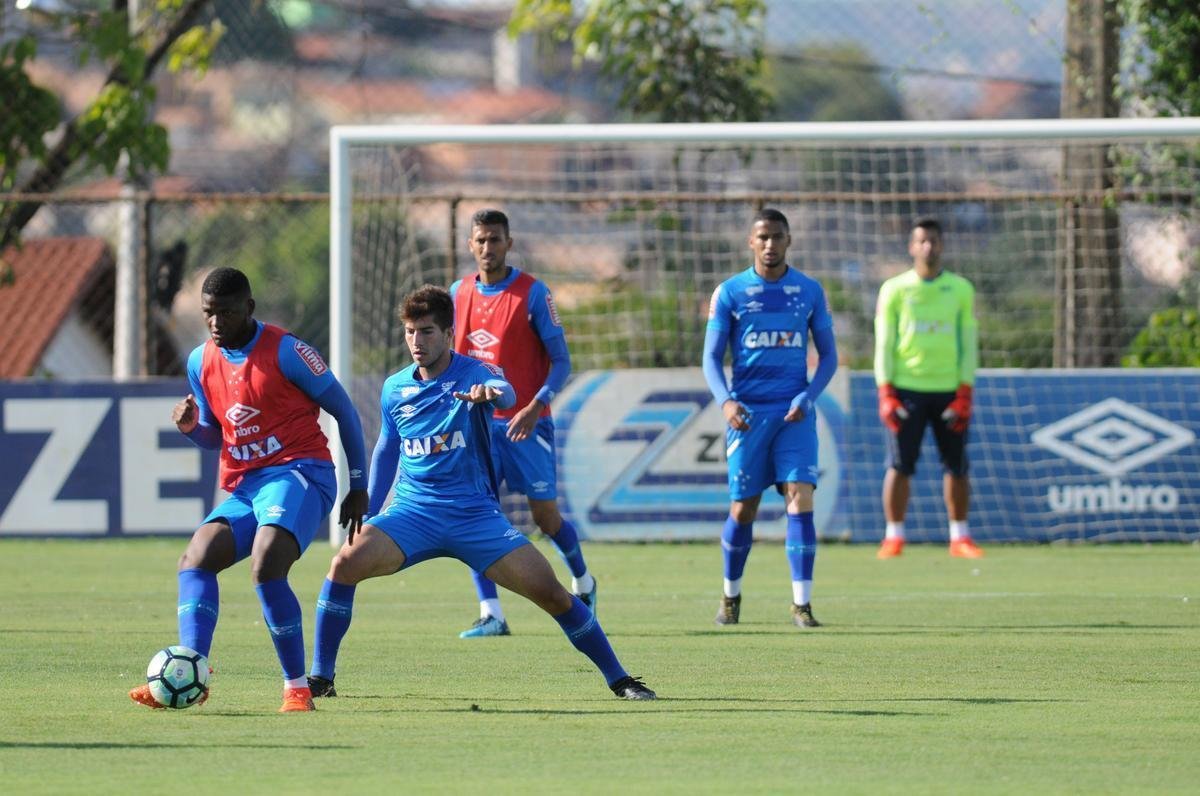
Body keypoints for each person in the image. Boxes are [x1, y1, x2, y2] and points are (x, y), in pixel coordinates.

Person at [304, 285, 655, 701]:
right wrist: (370, 502)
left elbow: (505, 392)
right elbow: (388, 447)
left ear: (449, 333)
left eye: (428, 332)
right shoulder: (394, 388)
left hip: (474, 516)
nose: (418, 341)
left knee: (550, 592)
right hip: (412, 514)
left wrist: (492, 395)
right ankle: (320, 679)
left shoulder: (476, 373)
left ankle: (621, 679)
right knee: (344, 563)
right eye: (411, 332)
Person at [129, 266, 369, 713]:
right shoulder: (200, 361)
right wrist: (190, 427)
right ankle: (190, 672)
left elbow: (344, 411)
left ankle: (297, 689)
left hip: (301, 472)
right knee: (196, 558)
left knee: (266, 563)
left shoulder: (289, 351)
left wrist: (358, 485)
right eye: (208, 314)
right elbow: (215, 435)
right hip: (248, 484)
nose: (216, 323)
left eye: (226, 312)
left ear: (249, 308)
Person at [449, 208, 595, 638]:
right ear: (470, 244)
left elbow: (562, 361)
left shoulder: (532, 293)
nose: (487, 248)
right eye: (480, 240)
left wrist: (535, 405)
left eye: (495, 240)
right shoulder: (458, 293)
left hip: (526, 424)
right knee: (476, 515)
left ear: (509, 243)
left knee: (545, 518)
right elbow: (455, 362)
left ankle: (584, 584)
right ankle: (491, 612)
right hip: (479, 428)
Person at [702, 208, 838, 628]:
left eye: (777, 236)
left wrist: (809, 395)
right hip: (746, 415)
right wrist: (725, 401)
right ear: (750, 242)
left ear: (789, 240)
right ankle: (730, 596)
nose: (770, 244)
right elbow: (710, 357)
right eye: (762, 237)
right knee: (744, 509)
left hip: (794, 414)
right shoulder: (730, 293)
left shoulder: (809, 291)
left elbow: (830, 356)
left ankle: (802, 604)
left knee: (801, 496)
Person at [874, 216, 982, 559]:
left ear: (942, 245)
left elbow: (969, 343)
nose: (928, 247)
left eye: (934, 241)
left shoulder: (961, 289)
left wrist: (965, 391)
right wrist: (885, 392)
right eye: (921, 241)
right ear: (911, 247)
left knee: (957, 465)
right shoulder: (894, 289)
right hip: (906, 389)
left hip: (949, 390)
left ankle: (960, 536)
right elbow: (884, 344)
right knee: (900, 464)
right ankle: (893, 536)